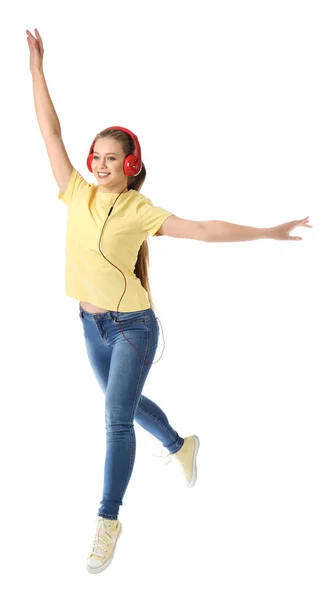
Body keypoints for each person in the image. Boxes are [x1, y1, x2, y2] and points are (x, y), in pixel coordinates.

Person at [26, 28, 312, 575]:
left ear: (131, 165)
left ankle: (107, 521)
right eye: (97, 156)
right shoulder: (76, 192)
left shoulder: (139, 210)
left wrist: (269, 232)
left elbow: (205, 229)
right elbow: (49, 130)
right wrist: (38, 70)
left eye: (113, 158)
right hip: (90, 325)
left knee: (114, 417)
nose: (101, 164)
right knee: (127, 405)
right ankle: (182, 446)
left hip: (134, 327)